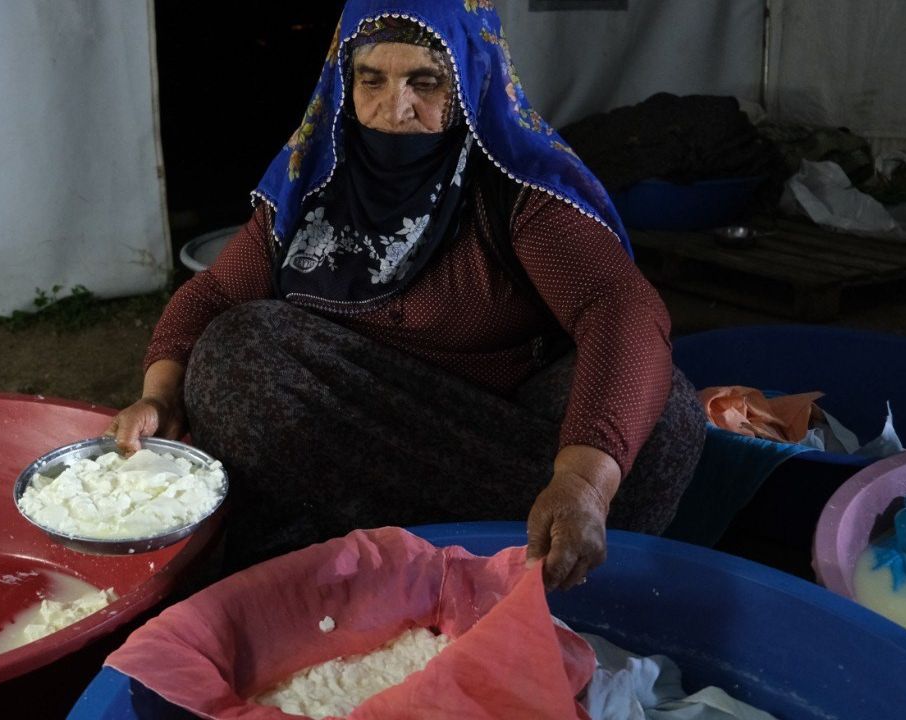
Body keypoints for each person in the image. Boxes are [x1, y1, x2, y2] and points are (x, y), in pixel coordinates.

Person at [109, 0, 706, 590]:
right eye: (371, 81)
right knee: (233, 352)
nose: (395, 110)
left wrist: (581, 480)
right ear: (344, 81)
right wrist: (158, 397)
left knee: (660, 418)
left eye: (425, 83)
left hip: (480, 426)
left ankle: (454, 545)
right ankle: (474, 551)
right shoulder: (313, 181)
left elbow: (618, 306)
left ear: (471, 82)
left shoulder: (510, 189)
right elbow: (213, 295)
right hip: (346, 425)